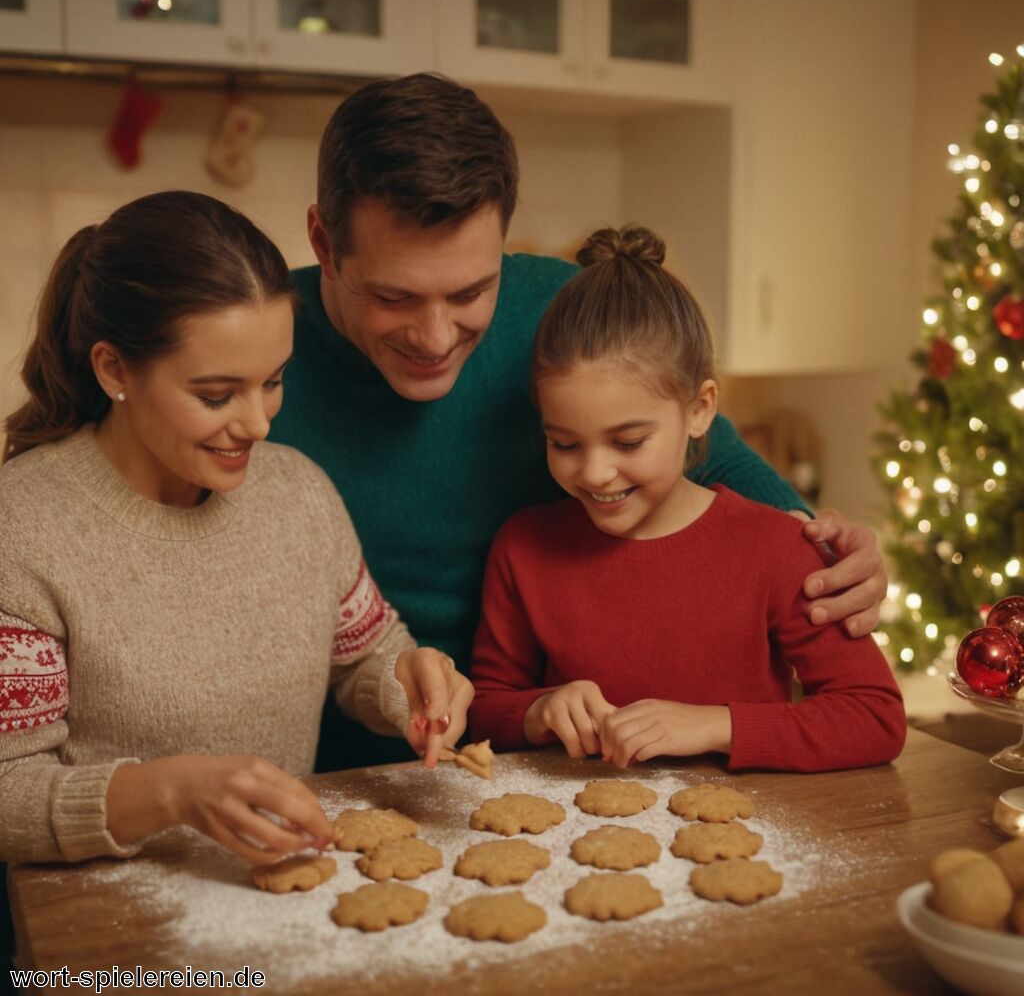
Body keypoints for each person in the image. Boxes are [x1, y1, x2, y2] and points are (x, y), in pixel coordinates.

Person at [267, 72, 888, 769]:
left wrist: (821, 557)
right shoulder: (252, 340)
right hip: (329, 765)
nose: (436, 336)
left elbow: (711, 452)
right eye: (394, 297)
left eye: (471, 290)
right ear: (323, 242)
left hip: (524, 765)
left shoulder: (559, 315)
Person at [0, 191, 472, 867]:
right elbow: (8, 791)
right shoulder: (24, 528)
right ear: (114, 369)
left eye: (273, 381)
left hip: (282, 899)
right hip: (110, 943)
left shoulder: (298, 493)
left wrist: (411, 688)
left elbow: (365, 655)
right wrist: (171, 793)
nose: (257, 423)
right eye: (217, 395)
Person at [469, 226, 906, 772]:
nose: (596, 472)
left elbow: (875, 717)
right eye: (564, 443)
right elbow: (484, 710)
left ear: (700, 409)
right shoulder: (524, 548)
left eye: (629, 442)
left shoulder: (775, 546)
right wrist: (538, 710)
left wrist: (714, 724)